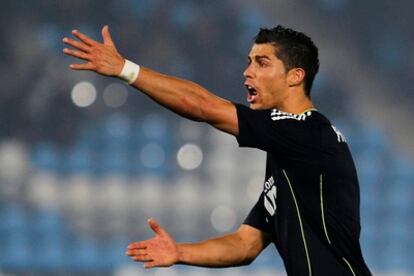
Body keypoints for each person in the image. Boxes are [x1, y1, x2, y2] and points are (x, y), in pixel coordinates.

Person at [63, 25, 372, 276]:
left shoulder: (305, 131)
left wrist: (125, 70)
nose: (247, 72)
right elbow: (245, 244)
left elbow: (204, 107)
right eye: (249, 61)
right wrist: (179, 252)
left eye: (262, 63)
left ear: (295, 76)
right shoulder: (291, 152)